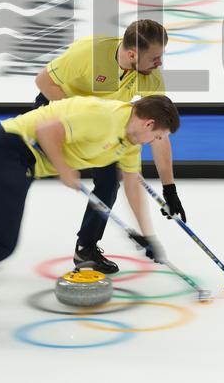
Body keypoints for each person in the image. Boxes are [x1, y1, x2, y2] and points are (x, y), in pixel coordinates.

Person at [0, 94, 181, 330]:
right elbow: (47, 130)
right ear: (148, 123)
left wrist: (147, 236)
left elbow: (131, 182)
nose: (153, 141)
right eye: (157, 136)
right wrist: (64, 169)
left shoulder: (130, 142)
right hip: (9, 148)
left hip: (23, 161)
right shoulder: (104, 116)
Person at [34, 19, 186, 274]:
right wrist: (76, 115)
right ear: (132, 54)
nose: (159, 63)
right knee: (26, 168)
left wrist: (169, 188)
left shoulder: (150, 77)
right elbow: (44, 82)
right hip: (58, 111)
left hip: (103, 126)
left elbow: (159, 133)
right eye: (155, 58)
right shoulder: (89, 53)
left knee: (109, 180)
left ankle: (86, 248)